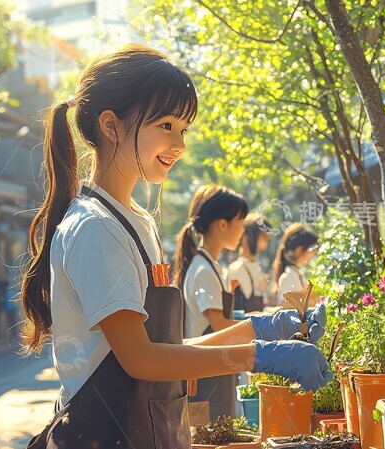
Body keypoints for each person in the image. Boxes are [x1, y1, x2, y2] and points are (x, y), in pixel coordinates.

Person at [20, 44, 332, 449]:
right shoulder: (95, 228)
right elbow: (141, 359)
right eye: (166, 125)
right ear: (111, 126)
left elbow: (166, 350)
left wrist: (257, 327)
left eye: (183, 129)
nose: (179, 144)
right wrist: (258, 355)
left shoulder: (137, 222)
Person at [174, 184, 247, 419]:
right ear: (223, 224)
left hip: (214, 372)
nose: (243, 230)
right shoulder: (203, 270)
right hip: (206, 379)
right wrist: (262, 332)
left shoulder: (211, 267)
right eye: (241, 221)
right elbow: (218, 326)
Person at [227, 213, 271, 313]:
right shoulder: (237, 268)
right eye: (263, 236)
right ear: (247, 238)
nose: (265, 241)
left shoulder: (256, 266)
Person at [273, 223, 319, 307]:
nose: (313, 253)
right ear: (299, 250)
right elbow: (286, 306)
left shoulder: (298, 273)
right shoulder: (289, 276)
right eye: (311, 249)